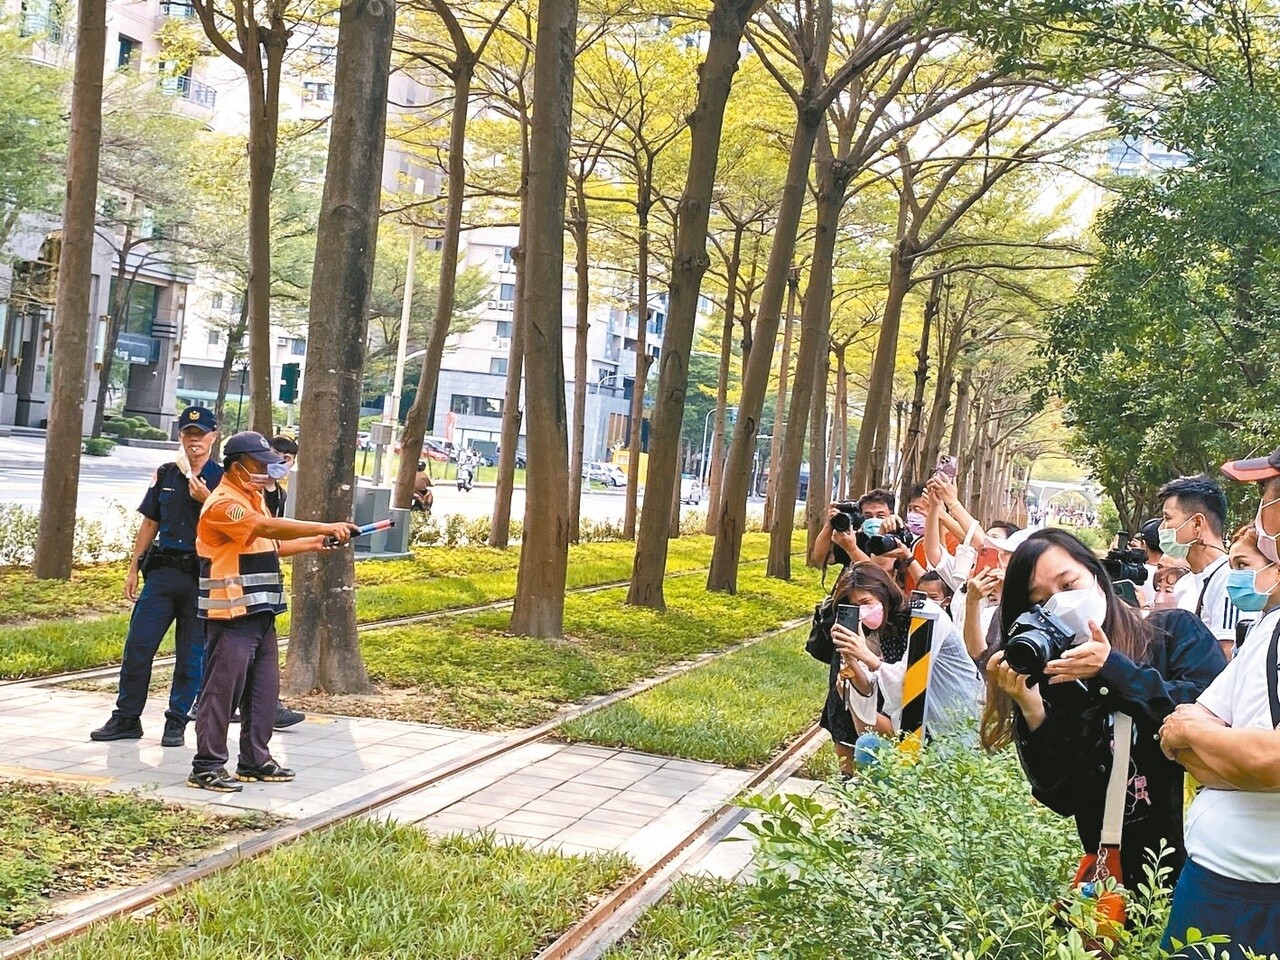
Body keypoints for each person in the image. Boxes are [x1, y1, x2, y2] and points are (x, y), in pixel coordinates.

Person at [982, 528, 1226, 893]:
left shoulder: (1171, 632)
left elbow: (1211, 715)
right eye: (1041, 600)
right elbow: (1063, 797)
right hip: (1116, 882)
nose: (1060, 603)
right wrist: (1034, 714)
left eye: (1068, 585)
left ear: (1095, 575)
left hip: (1205, 865)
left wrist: (1112, 670)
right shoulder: (1052, 676)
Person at [1158, 450, 1280, 959]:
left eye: (1267, 496)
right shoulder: (1272, 624)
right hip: (1215, 882)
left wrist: (1200, 740)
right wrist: (1231, 755)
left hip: (1255, 894)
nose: (1258, 514)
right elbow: (1180, 728)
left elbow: (1271, 760)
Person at [188, 431, 359, 793]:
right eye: (258, 464)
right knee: (222, 691)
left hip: (261, 609)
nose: (268, 470)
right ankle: (206, 765)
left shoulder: (252, 499)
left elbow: (271, 543)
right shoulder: (224, 502)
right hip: (232, 612)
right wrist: (323, 525)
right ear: (236, 467)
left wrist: (314, 542)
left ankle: (254, 759)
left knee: (263, 690)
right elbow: (263, 527)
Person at [91, 406, 222, 748]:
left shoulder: (223, 479)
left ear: (213, 436)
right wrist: (133, 568)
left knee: (191, 653)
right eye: (188, 434)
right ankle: (126, 717)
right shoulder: (166, 474)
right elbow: (149, 523)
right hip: (162, 573)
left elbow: (232, 524)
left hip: (200, 576)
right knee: (138, 646)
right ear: (181, 437)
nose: (194, 440)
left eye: (201, 434)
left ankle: (176, 722)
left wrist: (205, 498)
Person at [1158, 474, 1244, 657]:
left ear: (1197, 523)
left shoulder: (1228, 581)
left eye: (1167, 518)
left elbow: (1225, 657)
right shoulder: (1186, 581)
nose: (1161, 529)